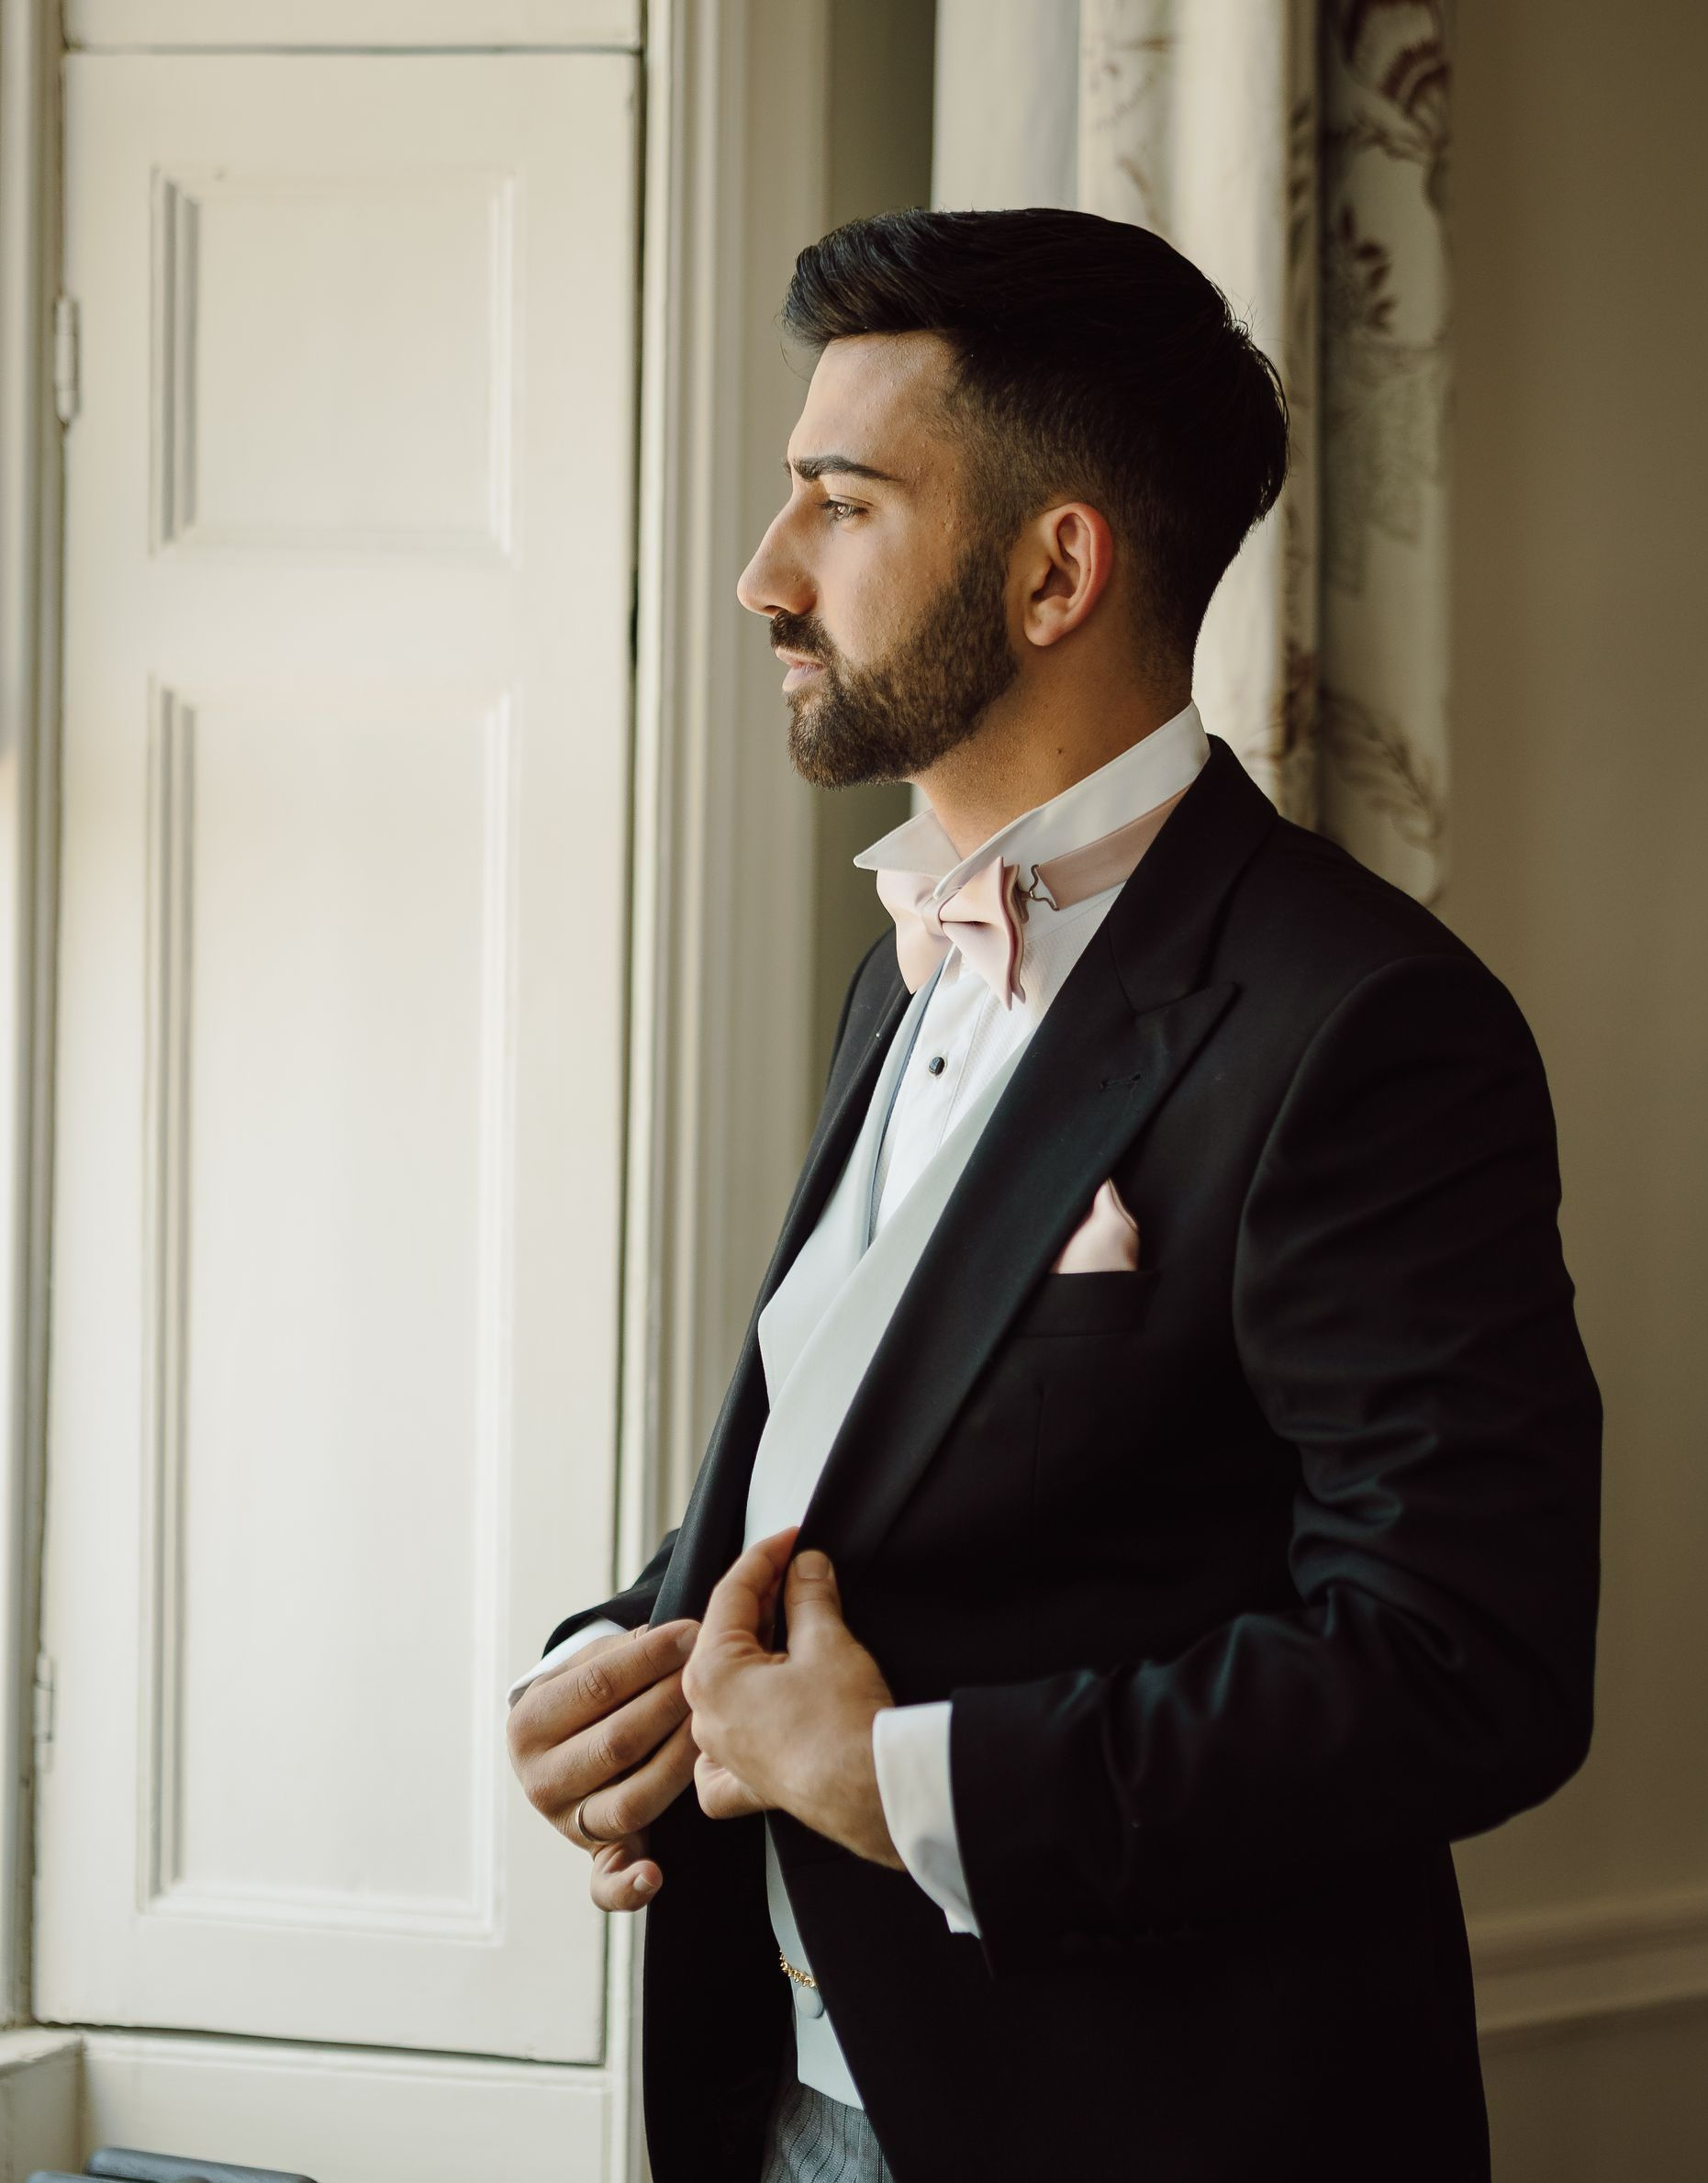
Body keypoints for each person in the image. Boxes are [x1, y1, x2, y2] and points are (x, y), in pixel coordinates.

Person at [505, 207, 1602, 2183]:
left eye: (836, 504)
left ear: (1052, 568)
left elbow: (1466, 1666)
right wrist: (633, 1667)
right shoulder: (902, 965)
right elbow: (901, 1475)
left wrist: (894, 1775)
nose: (764, 578)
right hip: (786, 2100)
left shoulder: (1366, 1025)